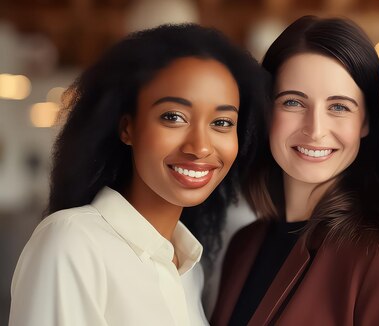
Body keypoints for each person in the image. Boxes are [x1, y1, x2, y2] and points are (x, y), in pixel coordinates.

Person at [9, 23, 266, 326]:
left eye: (222, 122)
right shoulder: (73, 242)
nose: (200, 147)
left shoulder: (188, 267)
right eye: (173, 117)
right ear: (127, 127)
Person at [211, 16, 379, 326]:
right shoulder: (245, 244)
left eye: (339, 107)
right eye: (293, 102)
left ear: (366, 122)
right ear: (267, 112)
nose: (315, 130)